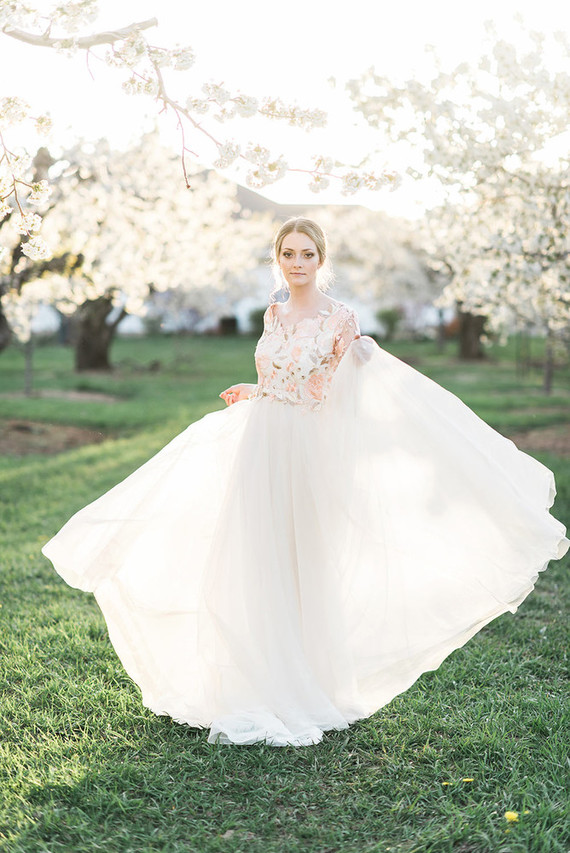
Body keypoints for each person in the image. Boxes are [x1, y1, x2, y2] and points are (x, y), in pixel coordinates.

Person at [42, 217, 569, 747]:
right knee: (256, 558)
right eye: (288, 254)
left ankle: (309, 683)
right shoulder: (273, 313)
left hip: (309, 451)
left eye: (307, 254)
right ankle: (254, 678)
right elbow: (285, 376)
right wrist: (255, 388)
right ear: (279, 259)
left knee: (305, 560)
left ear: (322, 260)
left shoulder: (340, 319)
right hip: (261, 445)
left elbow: (346, 393)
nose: (297, 263)